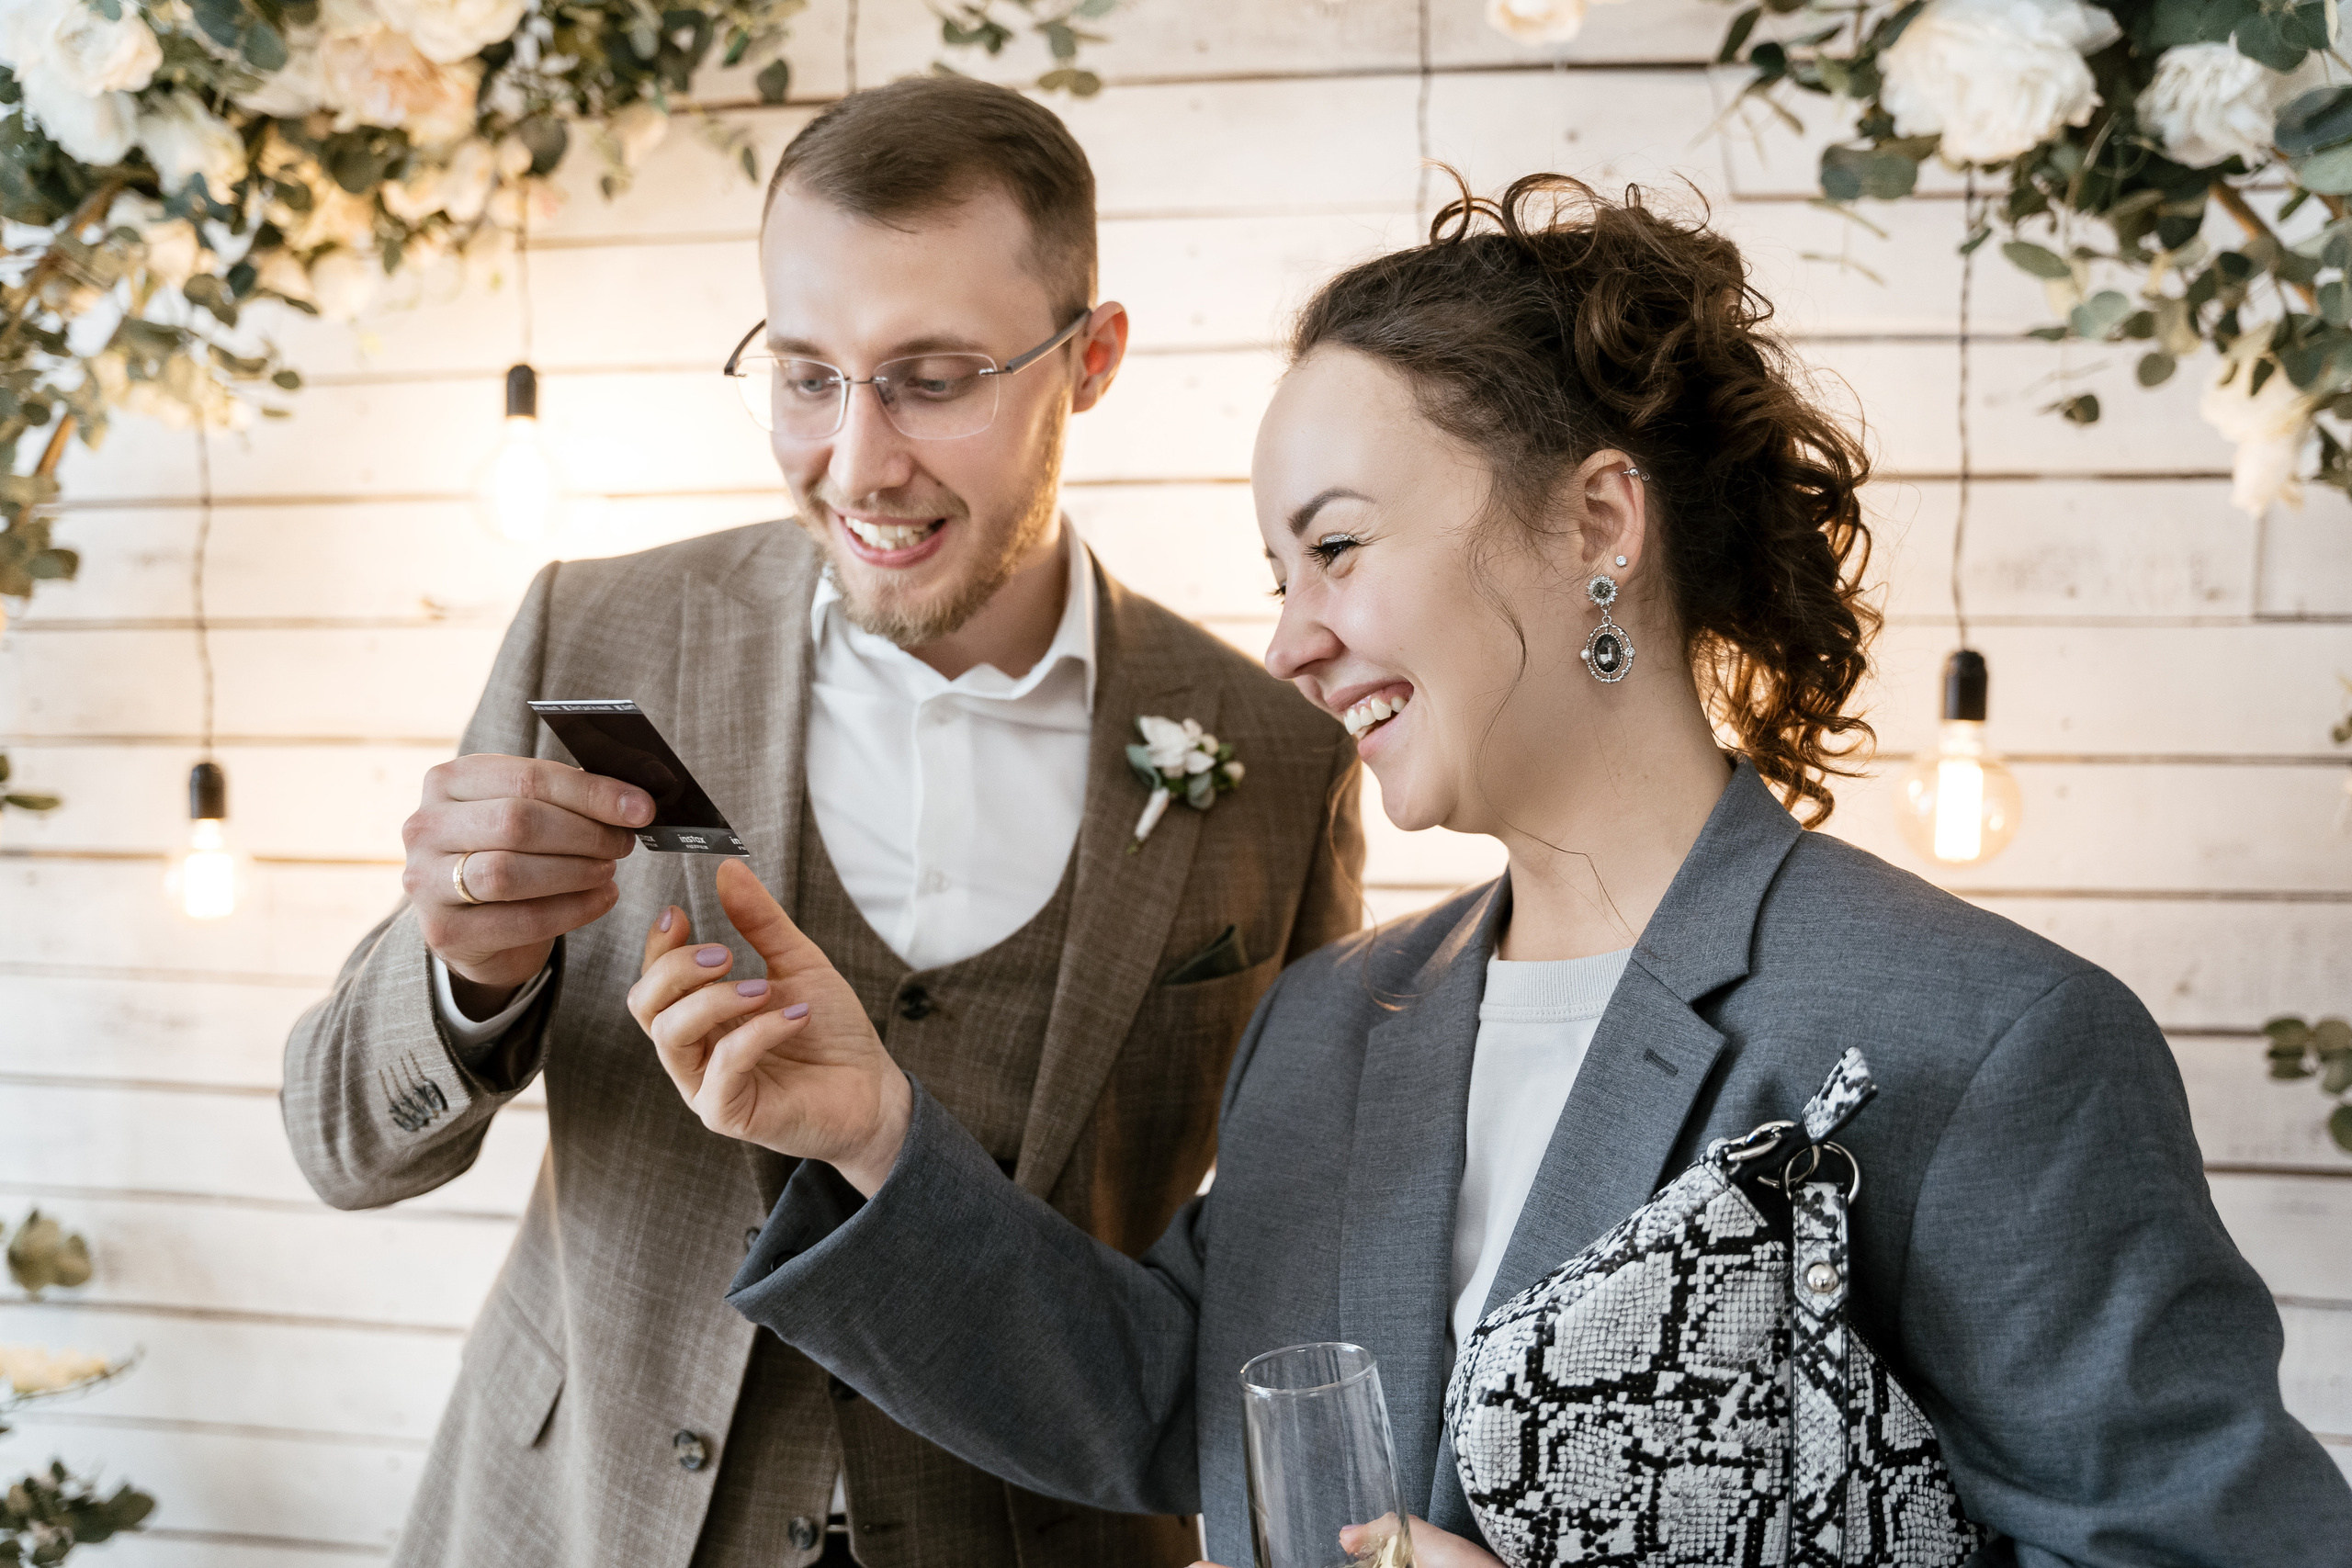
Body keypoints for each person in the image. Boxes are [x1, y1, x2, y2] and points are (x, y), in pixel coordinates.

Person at [630, 173, 2352, 1568]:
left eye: (1339, 550)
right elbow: (1180, 1402)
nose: (1291, 643)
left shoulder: (1985, 1041)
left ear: (1601, 525)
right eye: (1274, 570)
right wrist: (868, 1132)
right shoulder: (1334, 1019)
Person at [280, 77, 1364, 1568]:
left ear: (1092, 358)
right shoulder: (593, 632)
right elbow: (344, 1144)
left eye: (934, 377)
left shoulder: (1280, 749)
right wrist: (464, 974)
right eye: (806, 375)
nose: (859, 461)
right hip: (587, 1519)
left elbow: (1281, 1277)